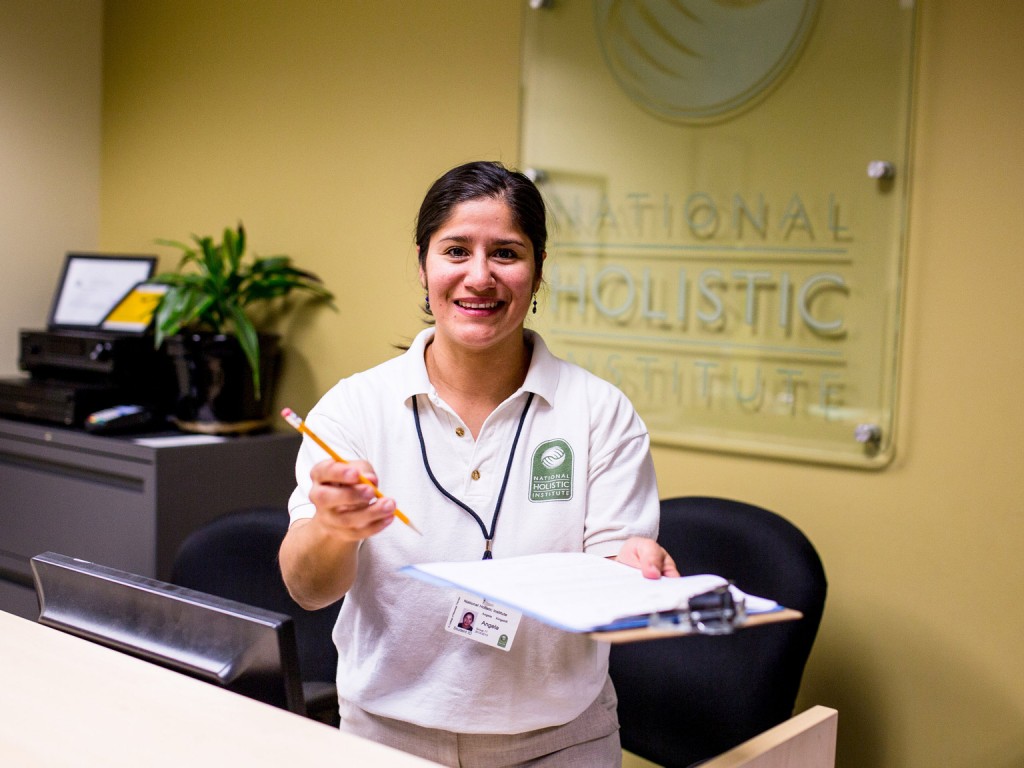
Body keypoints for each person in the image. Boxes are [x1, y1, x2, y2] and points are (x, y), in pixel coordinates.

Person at [279, 160, 678, 767]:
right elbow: (307, 590)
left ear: (538, 272)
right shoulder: (355, 408)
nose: (479, 277)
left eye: (507, 253)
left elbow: (611, 576)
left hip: (561, 739)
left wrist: (630, 573)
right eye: (456, 250)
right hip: (385, 735)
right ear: (423, 265)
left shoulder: (600, 412)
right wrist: (335, 530)